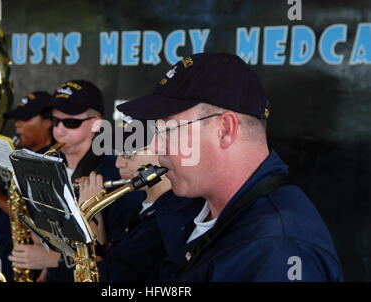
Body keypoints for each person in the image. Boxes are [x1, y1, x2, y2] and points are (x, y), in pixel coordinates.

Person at [116, 52, 344, 282]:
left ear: (225, 130)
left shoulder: (278, 248)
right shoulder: (199, 206)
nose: (156, 147)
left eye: (168, 130)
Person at [8, 80, 143, 282]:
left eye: (70, 123)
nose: (59, 131)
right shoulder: (47, 162)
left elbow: (114, 256)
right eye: (55, 121)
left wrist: (54, 259)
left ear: (96, 123)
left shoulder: (117, 174)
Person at [78, 119, 203, 282]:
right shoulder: (141, 203)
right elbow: (108, 257)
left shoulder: (165, 222)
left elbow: (105, 278)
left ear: (162, 151)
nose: (118, 163)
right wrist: (95, 212)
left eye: (127, 153)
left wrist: (86, 215)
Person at [0, 91, 54, 282]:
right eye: (17, 119)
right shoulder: (19, 157)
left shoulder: (50, 162)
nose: (17, 124)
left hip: (22, 258)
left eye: (25, 118)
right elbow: (4, 216)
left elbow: (39, 220)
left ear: (48, 122)